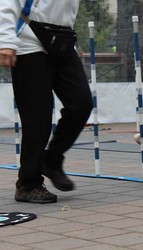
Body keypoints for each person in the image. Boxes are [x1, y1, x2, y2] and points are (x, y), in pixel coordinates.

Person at [0, 1, 93, 203]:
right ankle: (28, 184)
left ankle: (51, 159)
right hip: (27, 41)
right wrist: (6, 40)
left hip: (61, 40)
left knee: (81, 103)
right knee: (37, 118)